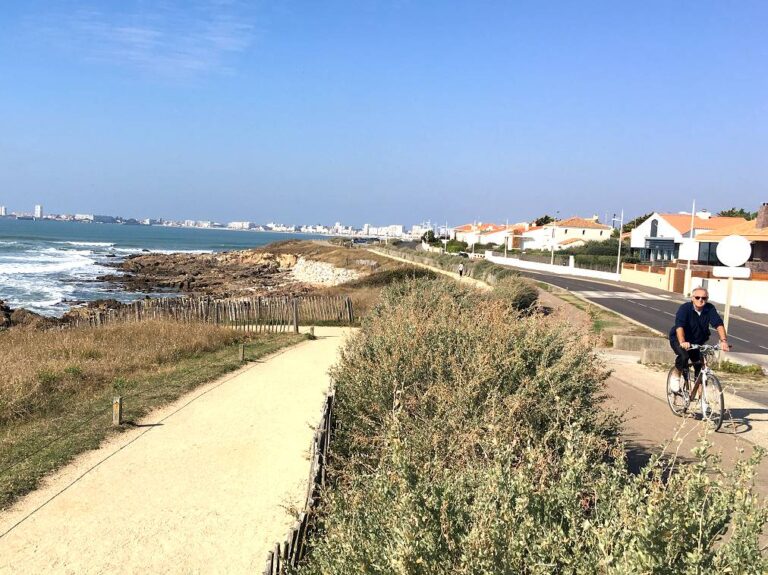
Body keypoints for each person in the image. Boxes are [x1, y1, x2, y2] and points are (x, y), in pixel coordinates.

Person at [668, 287, 729, 393]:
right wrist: (682, 342)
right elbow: (679, 326)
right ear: (692, 298)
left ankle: (702, 401)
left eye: (704, 298)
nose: (701, 300)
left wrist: (723, 341)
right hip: (679, 339)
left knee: (700, 366)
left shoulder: (709, 309)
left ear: (707, 299)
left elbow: (718, 324)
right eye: (697, 297)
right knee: (684, 356)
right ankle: (676, 374)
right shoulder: (685, 308)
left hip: (697, 342)